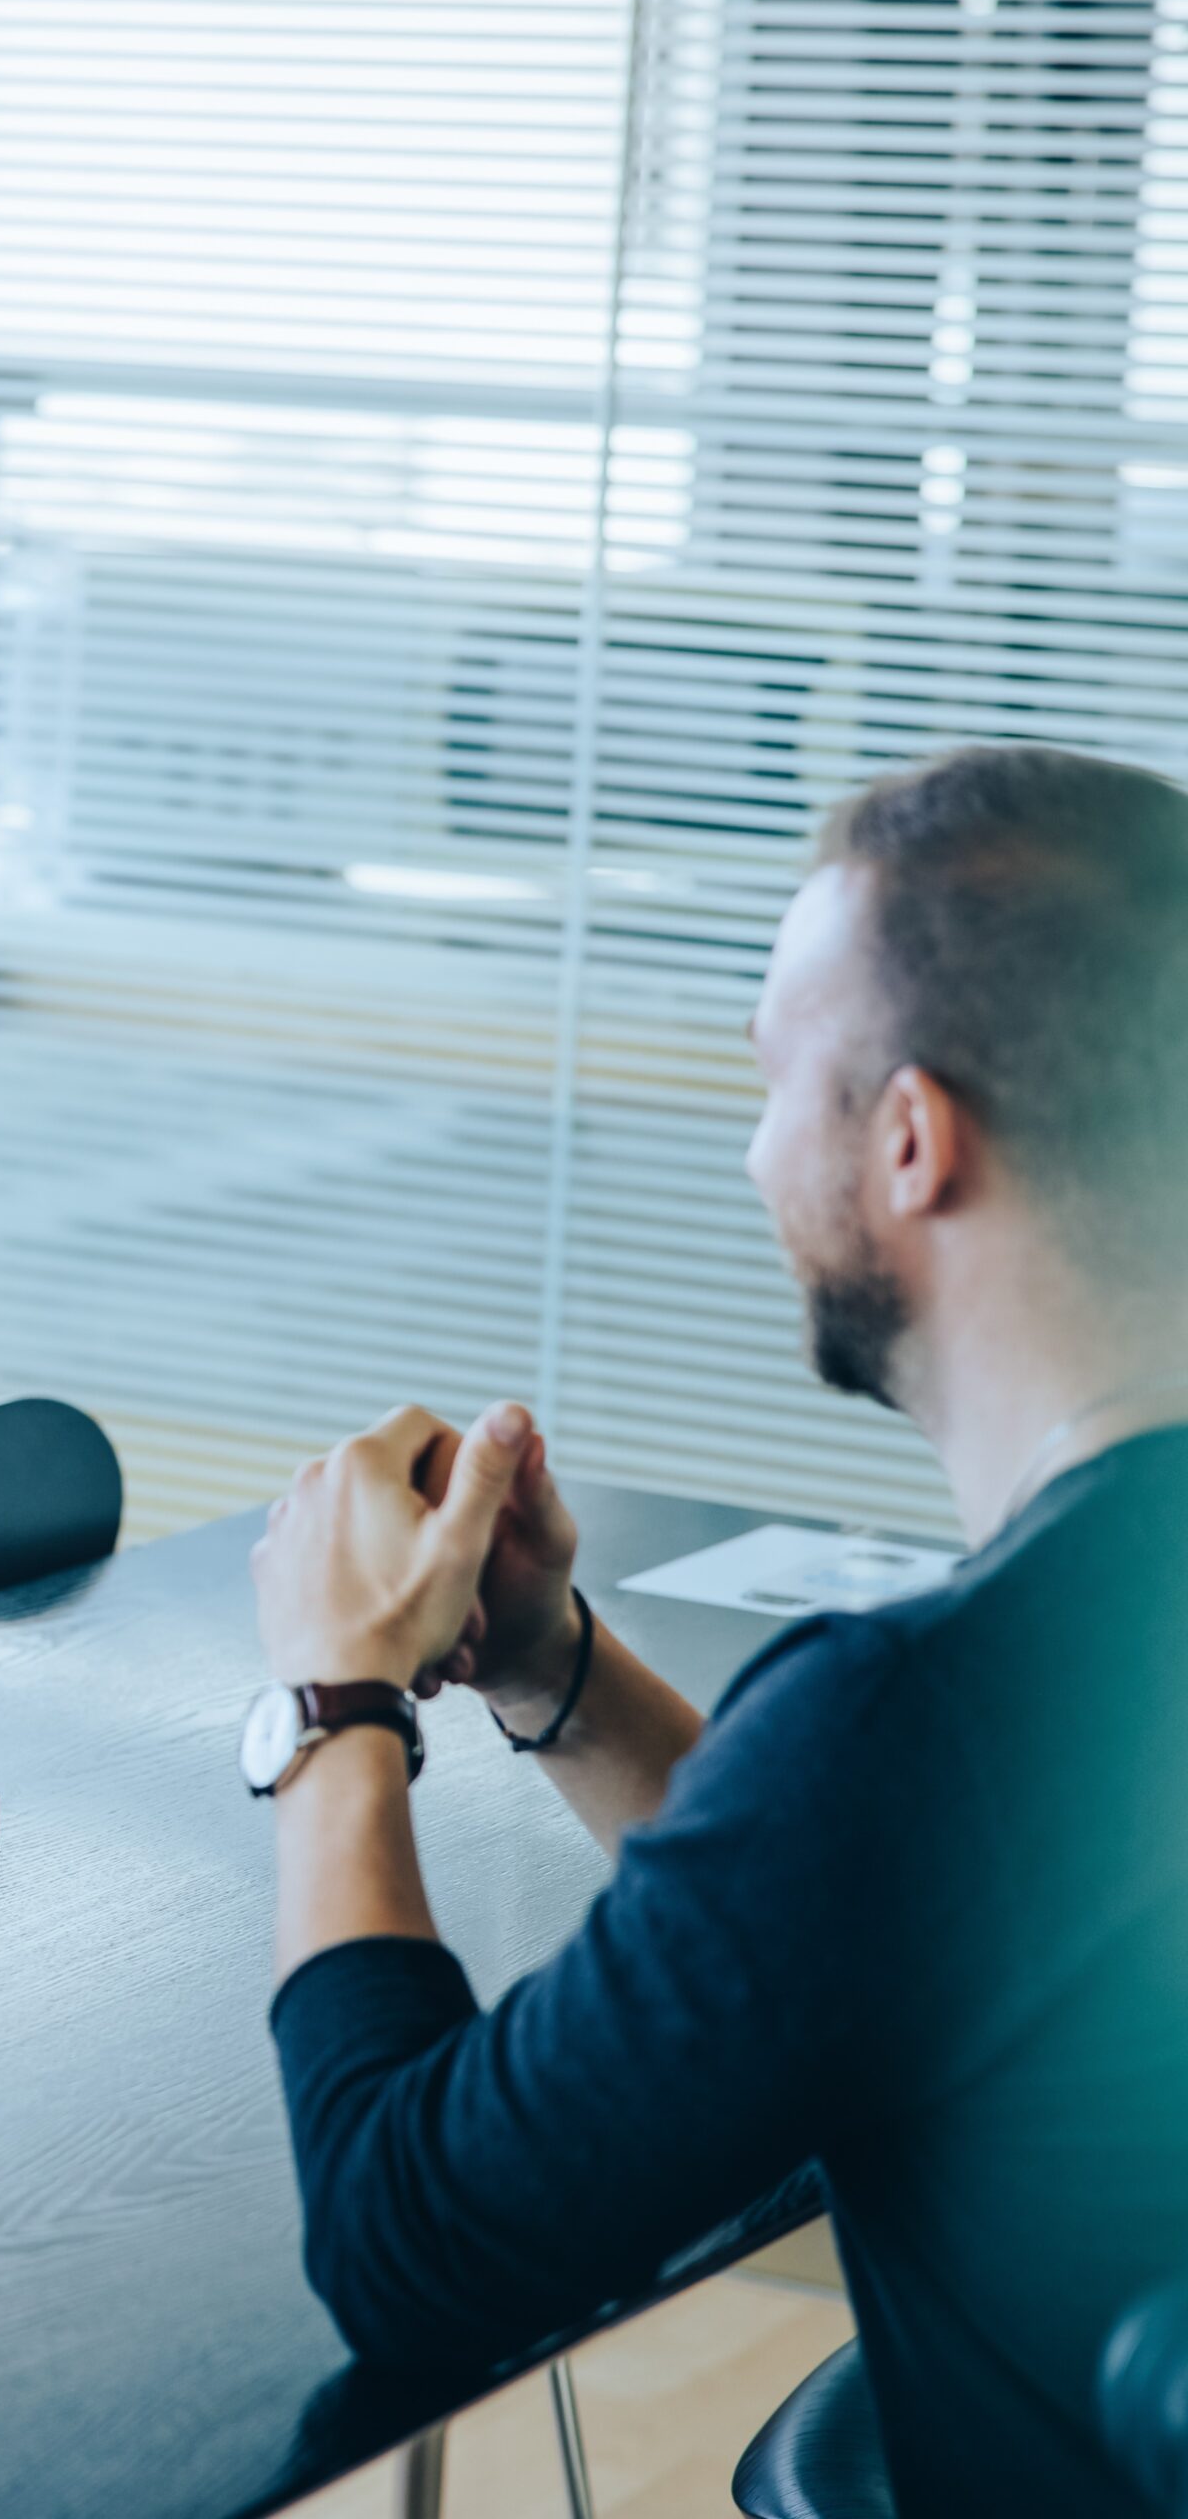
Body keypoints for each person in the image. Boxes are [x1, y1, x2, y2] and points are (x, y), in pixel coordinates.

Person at [246, 745, 1188, 2514]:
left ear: (911, 1141)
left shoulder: (932, 1713)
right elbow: (860, 1922)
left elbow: (405, 2239)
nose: (751, 1148)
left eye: (773, 1081)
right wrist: (551, 1668)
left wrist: (332, 1696)